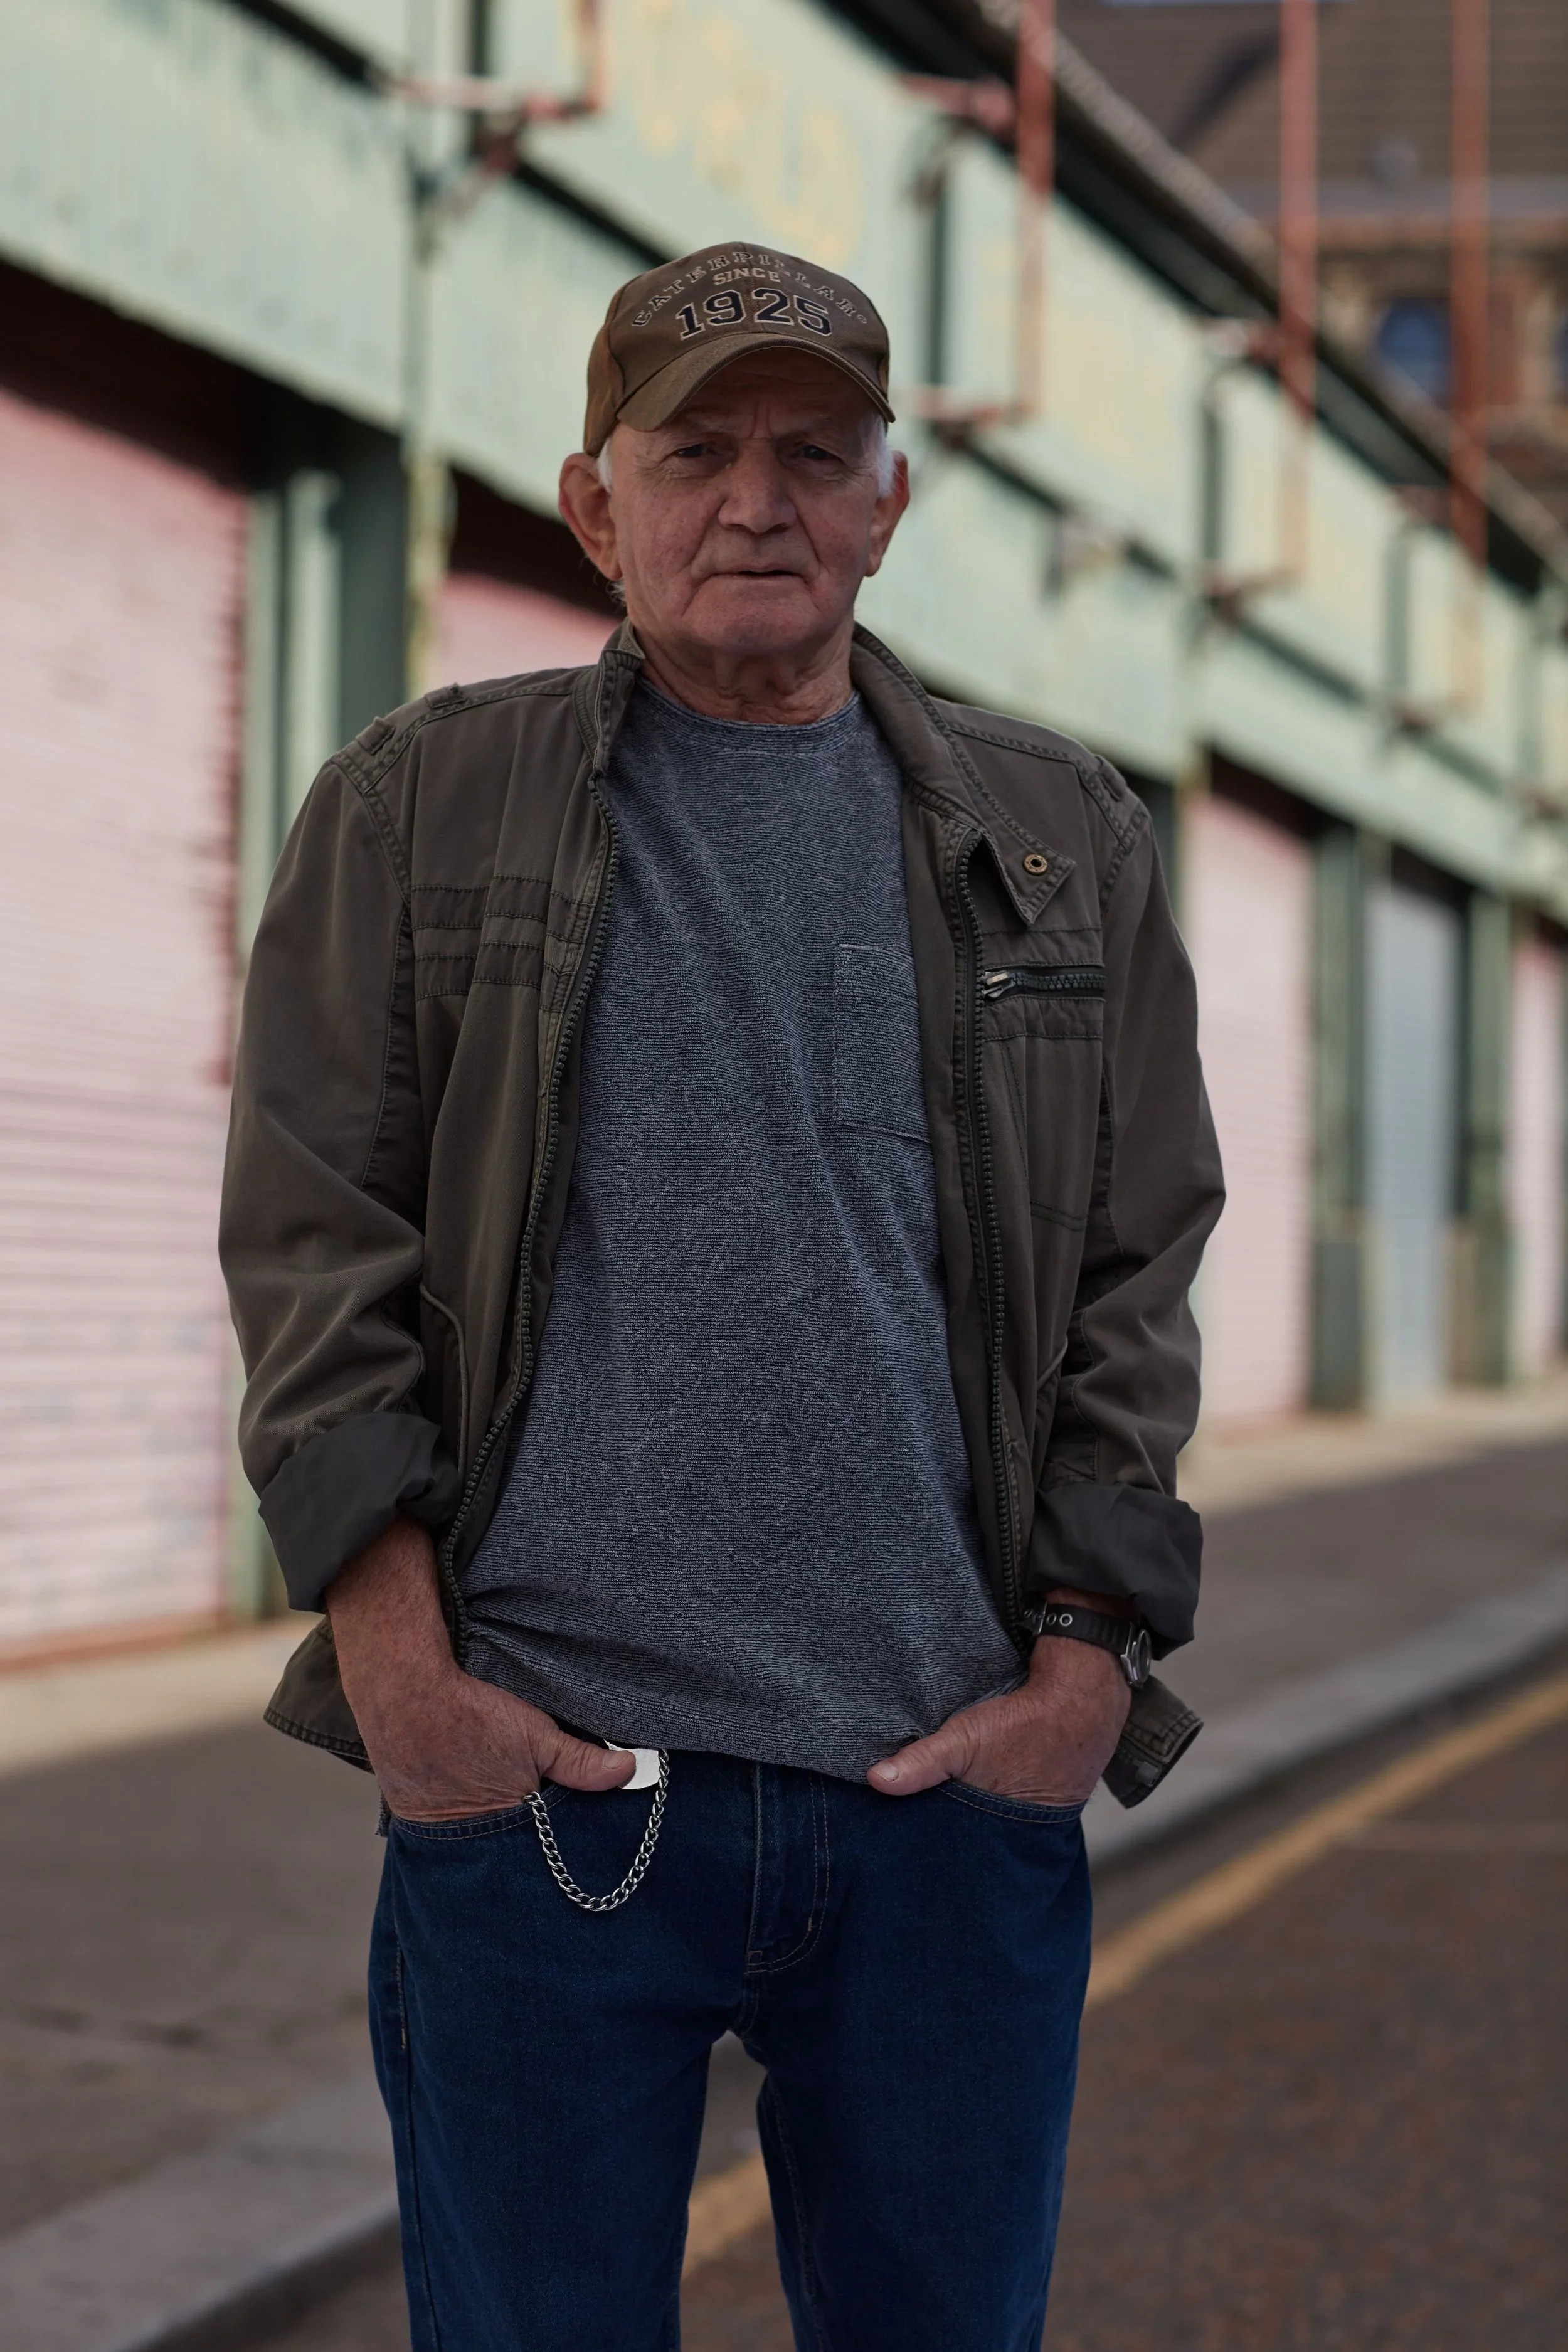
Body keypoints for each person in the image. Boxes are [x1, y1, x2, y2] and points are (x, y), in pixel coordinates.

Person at [221, 240, 1222, 2351]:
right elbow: (317, 1248)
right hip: (551, 1804)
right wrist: (410, 1688)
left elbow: (1135, 1268)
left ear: (887, 500)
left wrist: (1079, 1666)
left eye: (811, 454)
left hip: (941, 1797)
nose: (755, 502)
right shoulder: (419, 807)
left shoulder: (1063, 839)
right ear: (595, 507)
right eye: (695, 455)